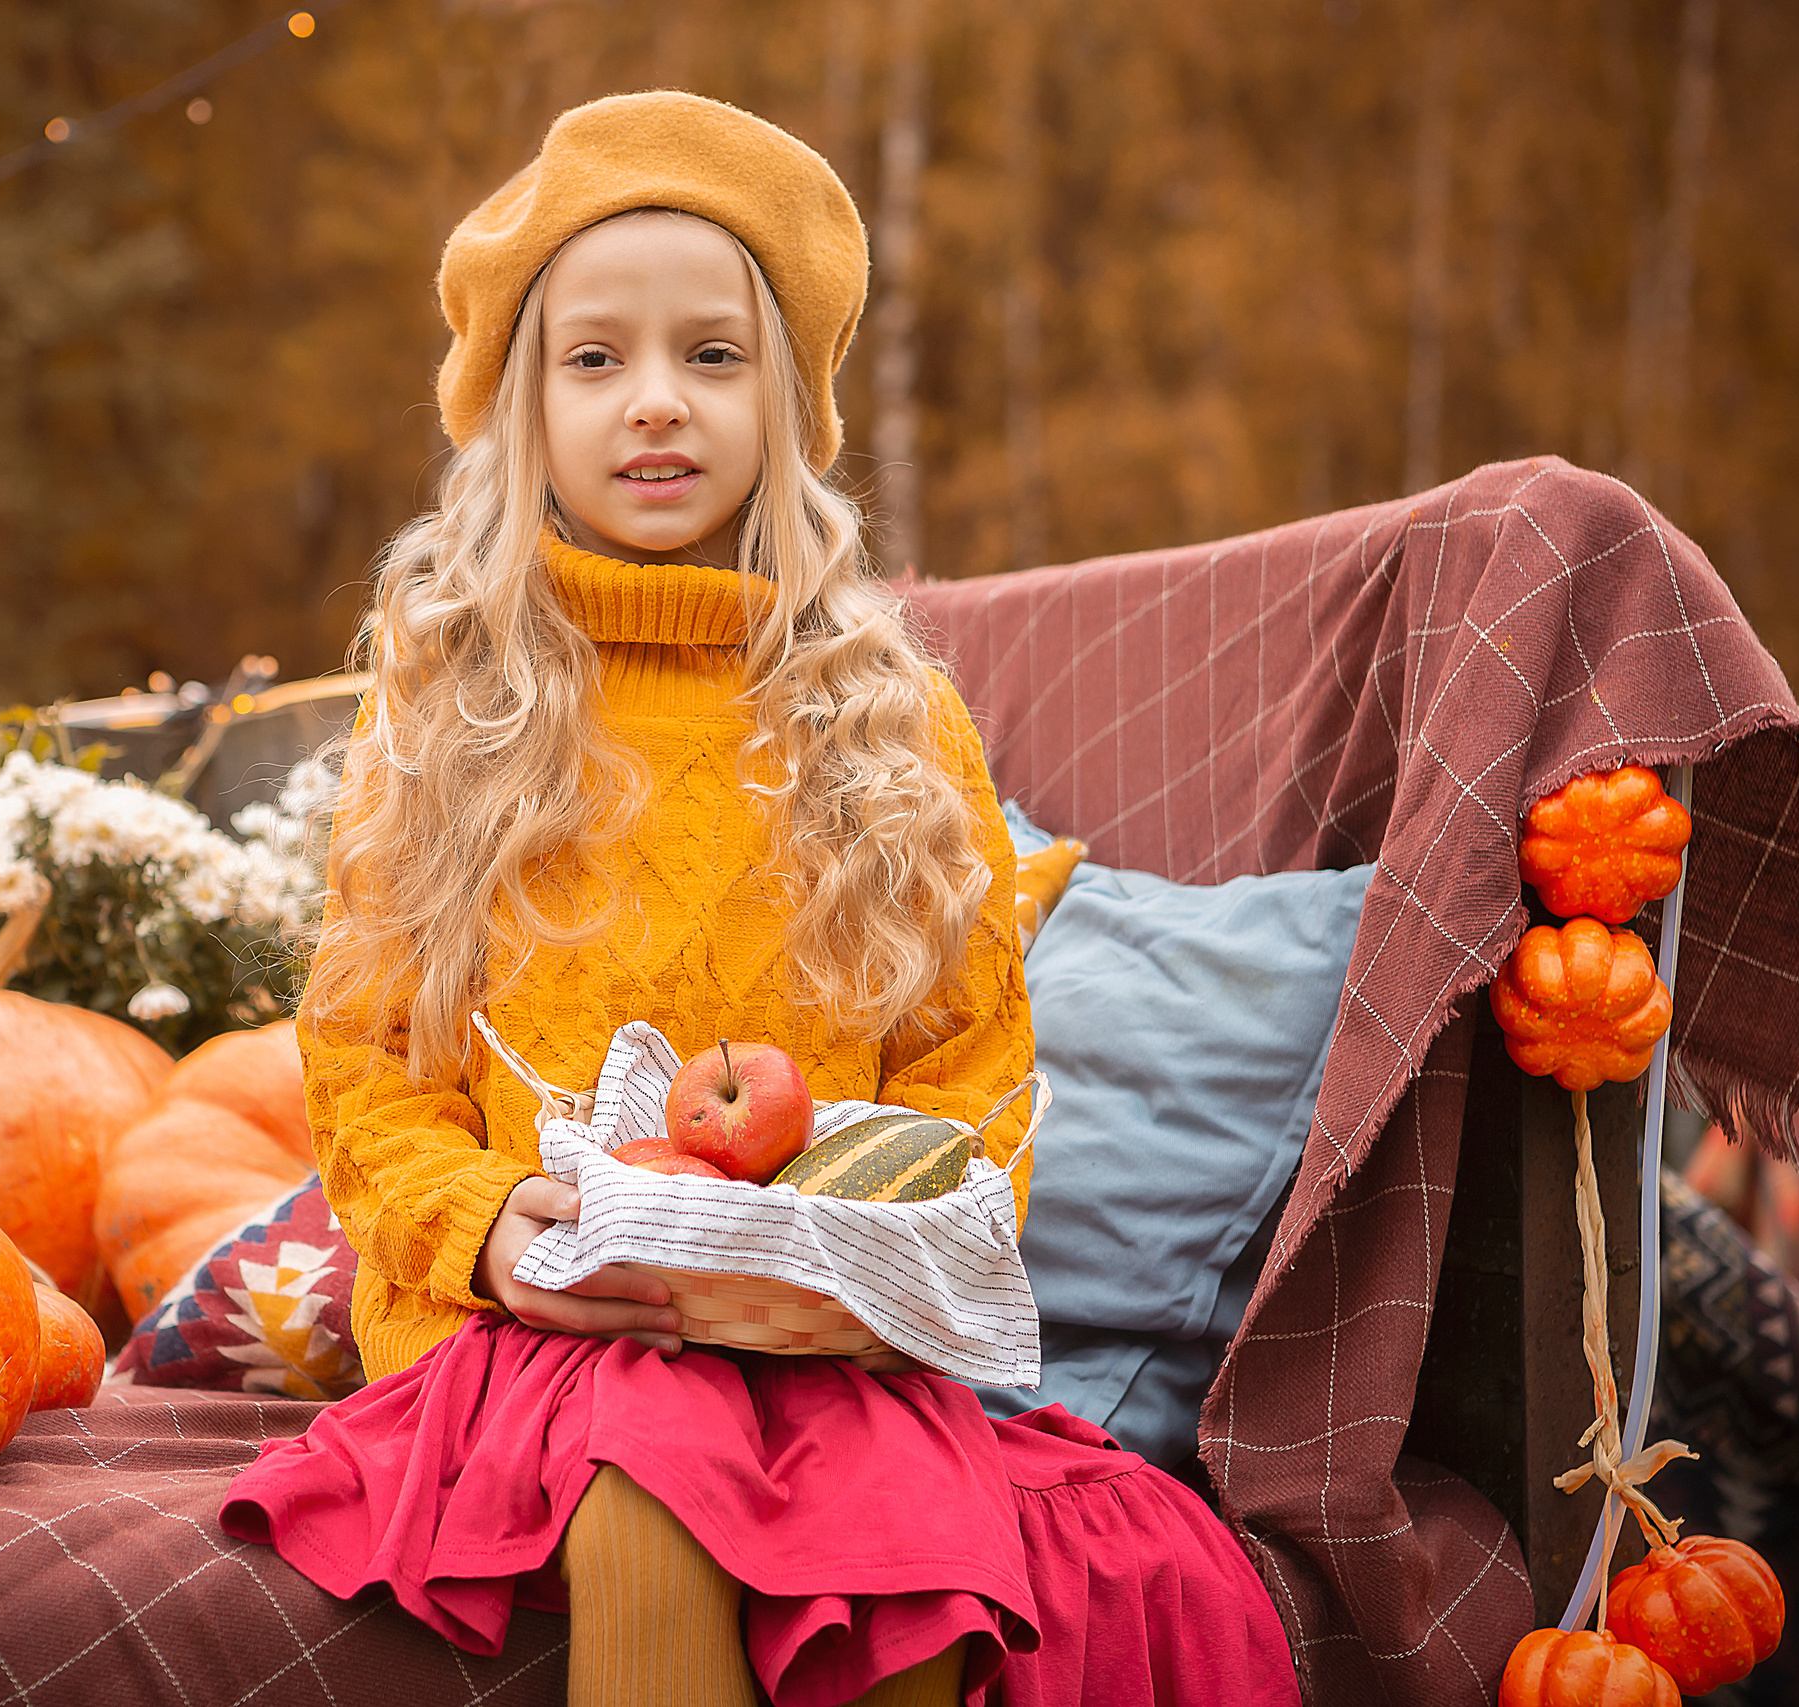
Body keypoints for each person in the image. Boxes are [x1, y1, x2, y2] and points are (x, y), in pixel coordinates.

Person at [222, 91, 1298, 1707]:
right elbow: (365, 1060)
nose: (656, 403)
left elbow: (970, 1074)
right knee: (649, 1486)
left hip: (820, 1332)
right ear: (519, 412)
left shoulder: (885, 715)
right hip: (550, 1326)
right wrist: (486, 1225)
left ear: (789, 404)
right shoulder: (456, 707)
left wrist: (879, 1269)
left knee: (907, 1566)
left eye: (713, 357)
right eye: (595, 360)